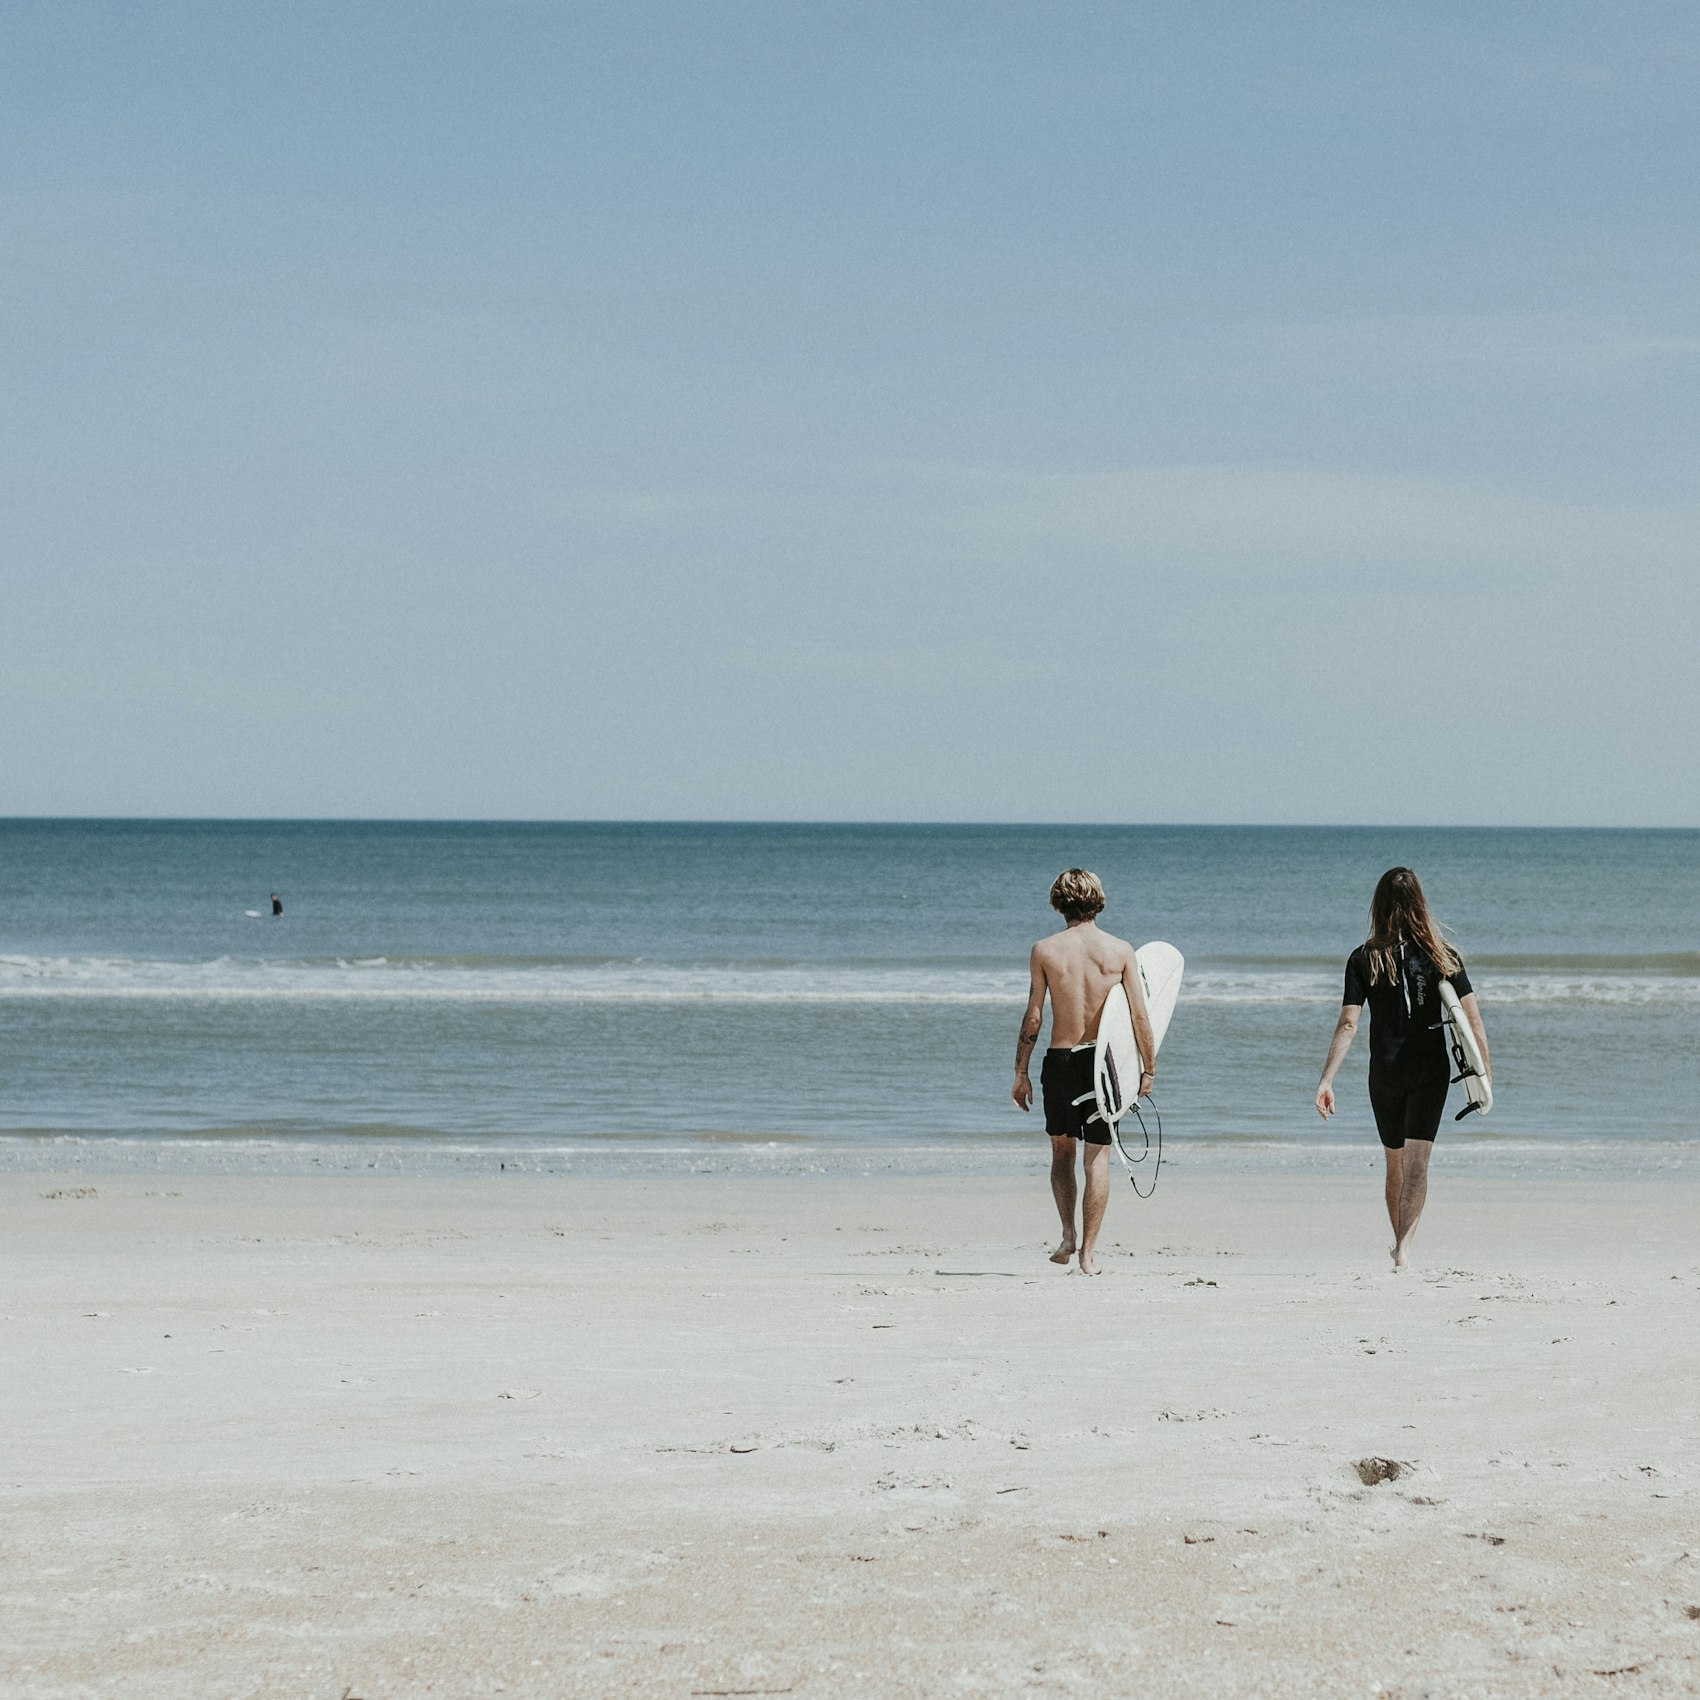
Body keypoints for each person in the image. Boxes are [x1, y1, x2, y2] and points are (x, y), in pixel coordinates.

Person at [1315, 867, 1491, 1271]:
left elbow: (1348, 1023)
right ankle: (1404, 1249)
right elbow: (1473, 1020)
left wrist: (1327, 1079)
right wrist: (1485, 1075)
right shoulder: (1443, 955)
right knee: (1418, 1162)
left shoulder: (1363, 958)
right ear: (1419, 903)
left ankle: (1398, 1246)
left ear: (1378, 904)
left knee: (1395, 1161)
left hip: (1386, 1071)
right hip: (1430, 1069)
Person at [1012, 869, 1156, 1275]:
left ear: (1058, 902)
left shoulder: (1044, 950)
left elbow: (1034, 1016)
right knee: (1098, 1156)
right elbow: (1139, 1016)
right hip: (1103, 1066)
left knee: (1061, 1150)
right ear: (1099, 899)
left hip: (1060, 1061)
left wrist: (1020, 1070)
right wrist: (1149, 1068)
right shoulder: (1121, 951)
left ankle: (1067, 1236)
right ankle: (1089, 1256)